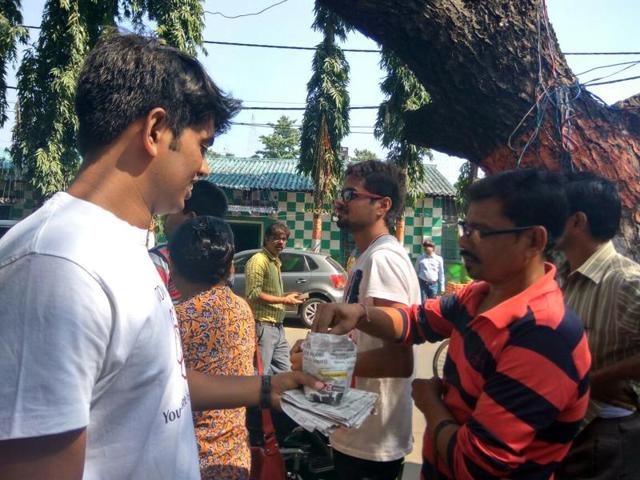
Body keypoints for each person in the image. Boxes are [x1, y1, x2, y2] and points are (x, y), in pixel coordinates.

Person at [0, 33, 320, 479]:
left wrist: (271, 387)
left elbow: (157, 385)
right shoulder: (57, 266)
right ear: (154, 131)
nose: (205, 166)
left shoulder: (124, 247)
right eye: (202, 145)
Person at [313, 169, 592, 479]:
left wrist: (432, 403)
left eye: (481, 231)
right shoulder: (477, 296)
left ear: (533, 240)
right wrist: (360, 314)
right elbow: (414, 321)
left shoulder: (543, 335)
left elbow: (476, 465)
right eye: (466, 227)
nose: (463, 240)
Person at [317, 160, 421, 480]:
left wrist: (321, 366)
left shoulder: (383, 260)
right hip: (359, 431)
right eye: (342, 192)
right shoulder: (366, 257)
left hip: (372, 441)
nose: (341, 201)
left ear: (382, 206)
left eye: (351, 194)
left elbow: (398, 360)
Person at [555, 172, 640, 479]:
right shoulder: (563, 278)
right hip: (570, 430)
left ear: (577, 221)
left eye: (556, 212)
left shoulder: (626, 282)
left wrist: (600, 379)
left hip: (605, 433)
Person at [170, 216, 254, 480]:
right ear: (230, 267)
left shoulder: (174, 319)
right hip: (234, 458)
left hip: (186, 462)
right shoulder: (242, 309)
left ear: (173, 267)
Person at [149, 179, 228, 304]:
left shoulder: (160, 259)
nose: (164, 218)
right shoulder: (221, 258)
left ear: (190, 219)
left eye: (171, 212)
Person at [245, 222, 301, 374]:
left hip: (278, 327)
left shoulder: (275, 261)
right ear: (267, 240)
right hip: (263, 326)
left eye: (283, 239)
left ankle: (273, 397)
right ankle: (252, 397)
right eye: (276, 238)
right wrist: (284, 300)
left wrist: (286, 297)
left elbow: (269, 293)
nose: (281, 242)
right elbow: (254, 293)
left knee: (286, 371)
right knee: (260, 372)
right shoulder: (259, 260)